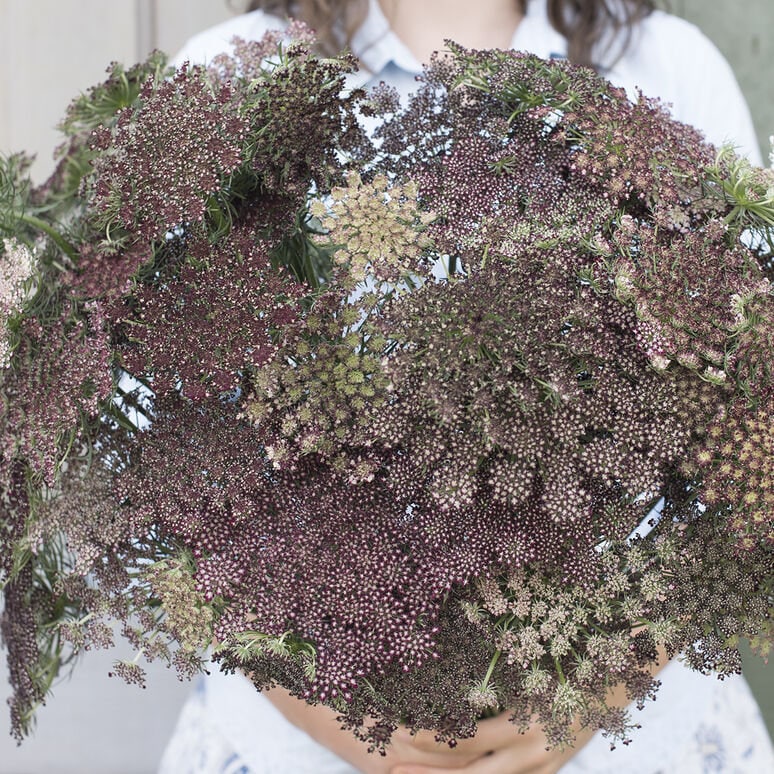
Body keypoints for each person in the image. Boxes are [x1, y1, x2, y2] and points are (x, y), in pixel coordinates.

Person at [159, 2, 773, 772]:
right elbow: (163, 467)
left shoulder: (669, 66)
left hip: (636, 738)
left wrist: (605, 683)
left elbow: (754, 422)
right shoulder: (235, 69)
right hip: (302, 735)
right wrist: (323, 713)